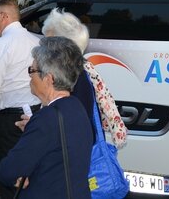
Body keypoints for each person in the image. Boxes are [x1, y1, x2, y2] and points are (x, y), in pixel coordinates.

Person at [0, 37, 93, 198]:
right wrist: (33, 128)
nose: (29, 76)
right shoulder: (76, 107)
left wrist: (36, 127)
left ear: (49, 79)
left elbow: (8, 171)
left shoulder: (47, 119)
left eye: (32, 70)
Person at [0, 0, 42, 199]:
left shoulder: (0, 45)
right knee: (32, 174)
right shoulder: (37, 41)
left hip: (10, 120)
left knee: (10, 177)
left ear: (4, 17)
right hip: (36, 114)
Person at [40, 8, 128, 148]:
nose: (42, 46)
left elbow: (74, 121)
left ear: (65, 46)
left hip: (74, 150)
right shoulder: (81, 70)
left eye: (48, 42)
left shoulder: (76, 75)